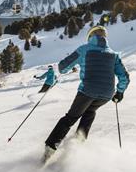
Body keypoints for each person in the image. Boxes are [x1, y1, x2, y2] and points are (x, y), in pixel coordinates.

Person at [43, 26, 129, 161]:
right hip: (106, 94)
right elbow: (124, 76)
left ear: (90, 37)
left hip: (87, 91)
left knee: (70, 118)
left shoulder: (84, 49)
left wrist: (68, 68)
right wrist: (119, 93)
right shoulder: (114, 54)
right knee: (89, 112)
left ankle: (50, 148)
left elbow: (62, 67)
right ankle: (76, 147)